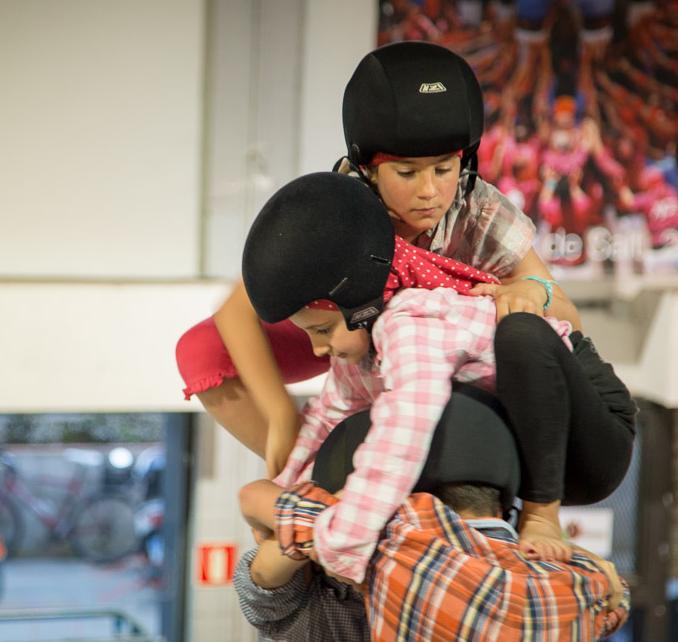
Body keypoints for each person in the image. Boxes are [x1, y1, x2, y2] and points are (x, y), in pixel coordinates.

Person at [176, 40, 582, 479]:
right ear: (366, 168)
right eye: (406, 173)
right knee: (201, 350)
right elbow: (238, 312)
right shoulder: (340, 208)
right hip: (343, 326)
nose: (429, 191)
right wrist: (279, 416)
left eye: (444, 169)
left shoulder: (481, 210)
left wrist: (533, 291)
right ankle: (313, 477)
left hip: (430, 344)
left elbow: (569, 321)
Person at [239, 170, 636, 581]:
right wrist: (284, 494)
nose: (319, 350)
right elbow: (326, 418)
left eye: (322, 331)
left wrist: (345, 538)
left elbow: (403, 433)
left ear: (360, 305)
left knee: (519, 333)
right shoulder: (358, 351)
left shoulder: (413, 325)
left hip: (589, 436)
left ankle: (541, 513)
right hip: (529, 445)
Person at [237, 388, 629, 641]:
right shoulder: (566, 590)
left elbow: (254, 525)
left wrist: (333, 525)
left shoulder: (393, 544)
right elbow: (613, 595)